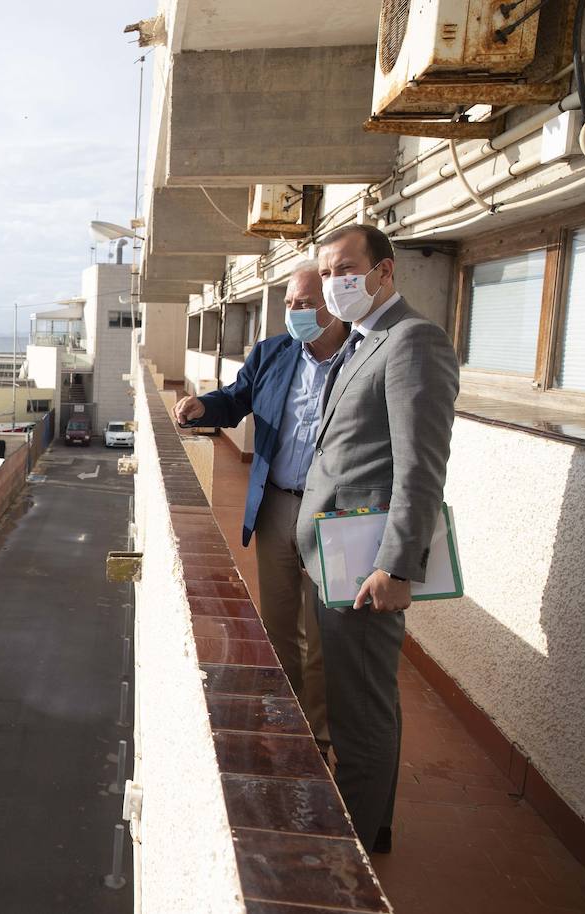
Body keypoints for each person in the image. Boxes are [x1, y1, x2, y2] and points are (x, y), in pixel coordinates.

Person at [296, 224, 459, 856]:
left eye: (345, 269)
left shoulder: (412, 341)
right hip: (335, 557)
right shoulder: (365, 341)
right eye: (329, 271)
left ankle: (352, 850)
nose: (335, 284)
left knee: (358, 711)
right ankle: (373, 820)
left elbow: (421, 467)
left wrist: (398, 567)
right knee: (358, 697)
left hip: (366, 564)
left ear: (384, 272)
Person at [174, 262, 347, 751]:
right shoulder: (273, 352)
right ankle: (285, 718)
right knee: (278, 623)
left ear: (332, 305)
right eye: (289, 303)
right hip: (275, 507)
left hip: (332, 516)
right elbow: (237, 397)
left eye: (305, 303)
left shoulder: (358, 358)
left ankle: (317, 737)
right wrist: (203, 406)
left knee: (323, 633)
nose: (294, 312)